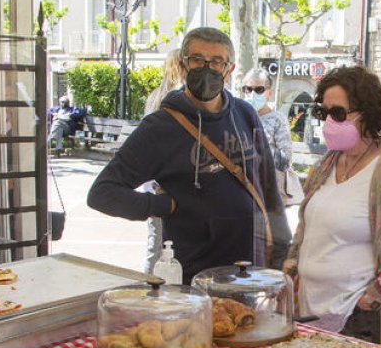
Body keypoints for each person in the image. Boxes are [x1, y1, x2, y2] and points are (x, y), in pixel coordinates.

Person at [87, 27, 281, 284]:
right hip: (195, 277)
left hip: (250, 271)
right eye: (197, 59)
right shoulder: (160, 127)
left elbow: (268, 187)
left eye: (216, 62)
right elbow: (102, 193)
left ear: (229, 69)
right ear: (184, 64)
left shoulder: (245, 114)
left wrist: (281, 254)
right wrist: (162, 206)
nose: (206, 68)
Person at [284, 66, 381, 348]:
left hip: (362, 322)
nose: (329, 121)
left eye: (338, 113)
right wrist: (291, 278)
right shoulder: (325, 165)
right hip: (311, 315)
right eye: (323, 113)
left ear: (367, 112)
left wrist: (368, 301)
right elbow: (303, 234)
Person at [241, 67, 295, 268]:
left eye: (258, 89)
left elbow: (285, 158)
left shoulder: (277, 119)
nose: (252, 94)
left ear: (268, 92)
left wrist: (258, 153)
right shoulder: (237, 116)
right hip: (244, 193)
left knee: (276, 245)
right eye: (247, 89)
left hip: (269, 194)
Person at [142, 48, 189, 272]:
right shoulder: (180, 100)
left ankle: (150, 289)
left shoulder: (155, 97)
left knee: (156, 244)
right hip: (171, 186)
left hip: (155, 184)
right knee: (172, 247)